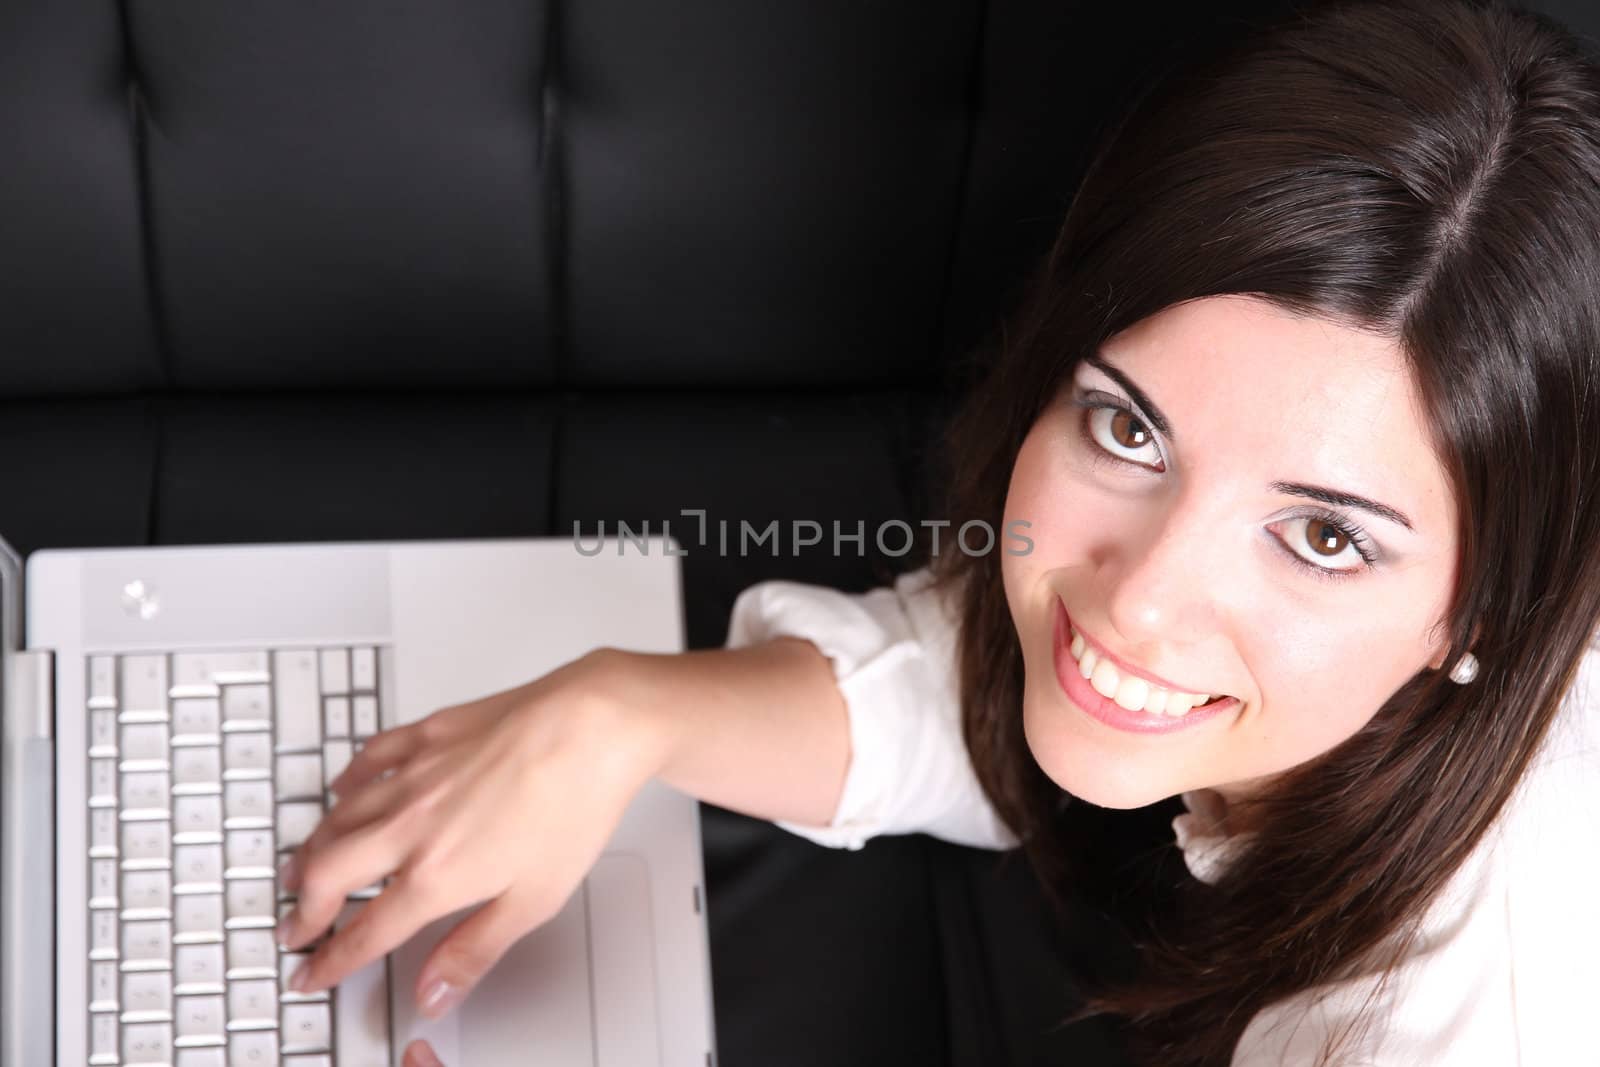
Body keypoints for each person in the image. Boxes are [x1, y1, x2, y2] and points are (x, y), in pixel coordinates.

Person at [274, 0, 1600, 1063]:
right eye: (1128, 431)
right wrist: (617, 713)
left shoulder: (1463, 1024)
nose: (1138, 602)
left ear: (1490, 607)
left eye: (1321, 540)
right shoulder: (1334, 683)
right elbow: (983, 684)